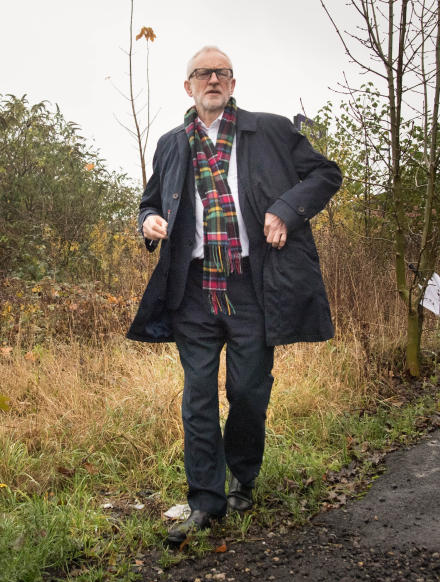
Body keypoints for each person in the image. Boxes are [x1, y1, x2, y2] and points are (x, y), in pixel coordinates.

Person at [127, 45, 342, 547]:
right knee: (197, 396)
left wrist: (286, 210)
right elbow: (151, 201)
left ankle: (243, 475)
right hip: (194, 289)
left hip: (252, 285)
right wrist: (149, 222)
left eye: (222, 73)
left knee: (247, 390)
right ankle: (206, 500)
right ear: (188, 87)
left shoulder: (268, 130)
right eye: (203, 74)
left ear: (233, 82)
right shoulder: (170, 144)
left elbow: (325, 173)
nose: (213, 80)